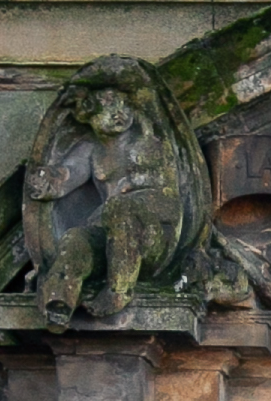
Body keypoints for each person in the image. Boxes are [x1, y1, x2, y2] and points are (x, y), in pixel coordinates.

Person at [23, 63, 189, 319]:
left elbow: (168, 200)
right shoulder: (91, 149)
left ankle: (118, 290)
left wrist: (134, 200)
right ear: (87, 116)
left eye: (122, 106)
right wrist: (47, 181)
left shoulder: (148, 142)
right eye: (108, 108)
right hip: (109, 236)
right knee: (75, 240)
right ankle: (59, 300)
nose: (118, 113)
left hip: (149, 236)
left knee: (119, 208)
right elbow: (66, 176)